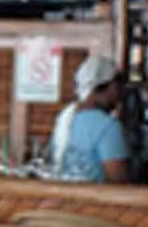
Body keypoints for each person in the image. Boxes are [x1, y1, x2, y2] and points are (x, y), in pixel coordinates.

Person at [50, 55, 130, 183]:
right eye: (117, 87)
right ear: (107, 86)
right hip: (95, 200)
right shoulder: (108, 126)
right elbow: (118, 182)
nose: (119, 95)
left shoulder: (65, 117)